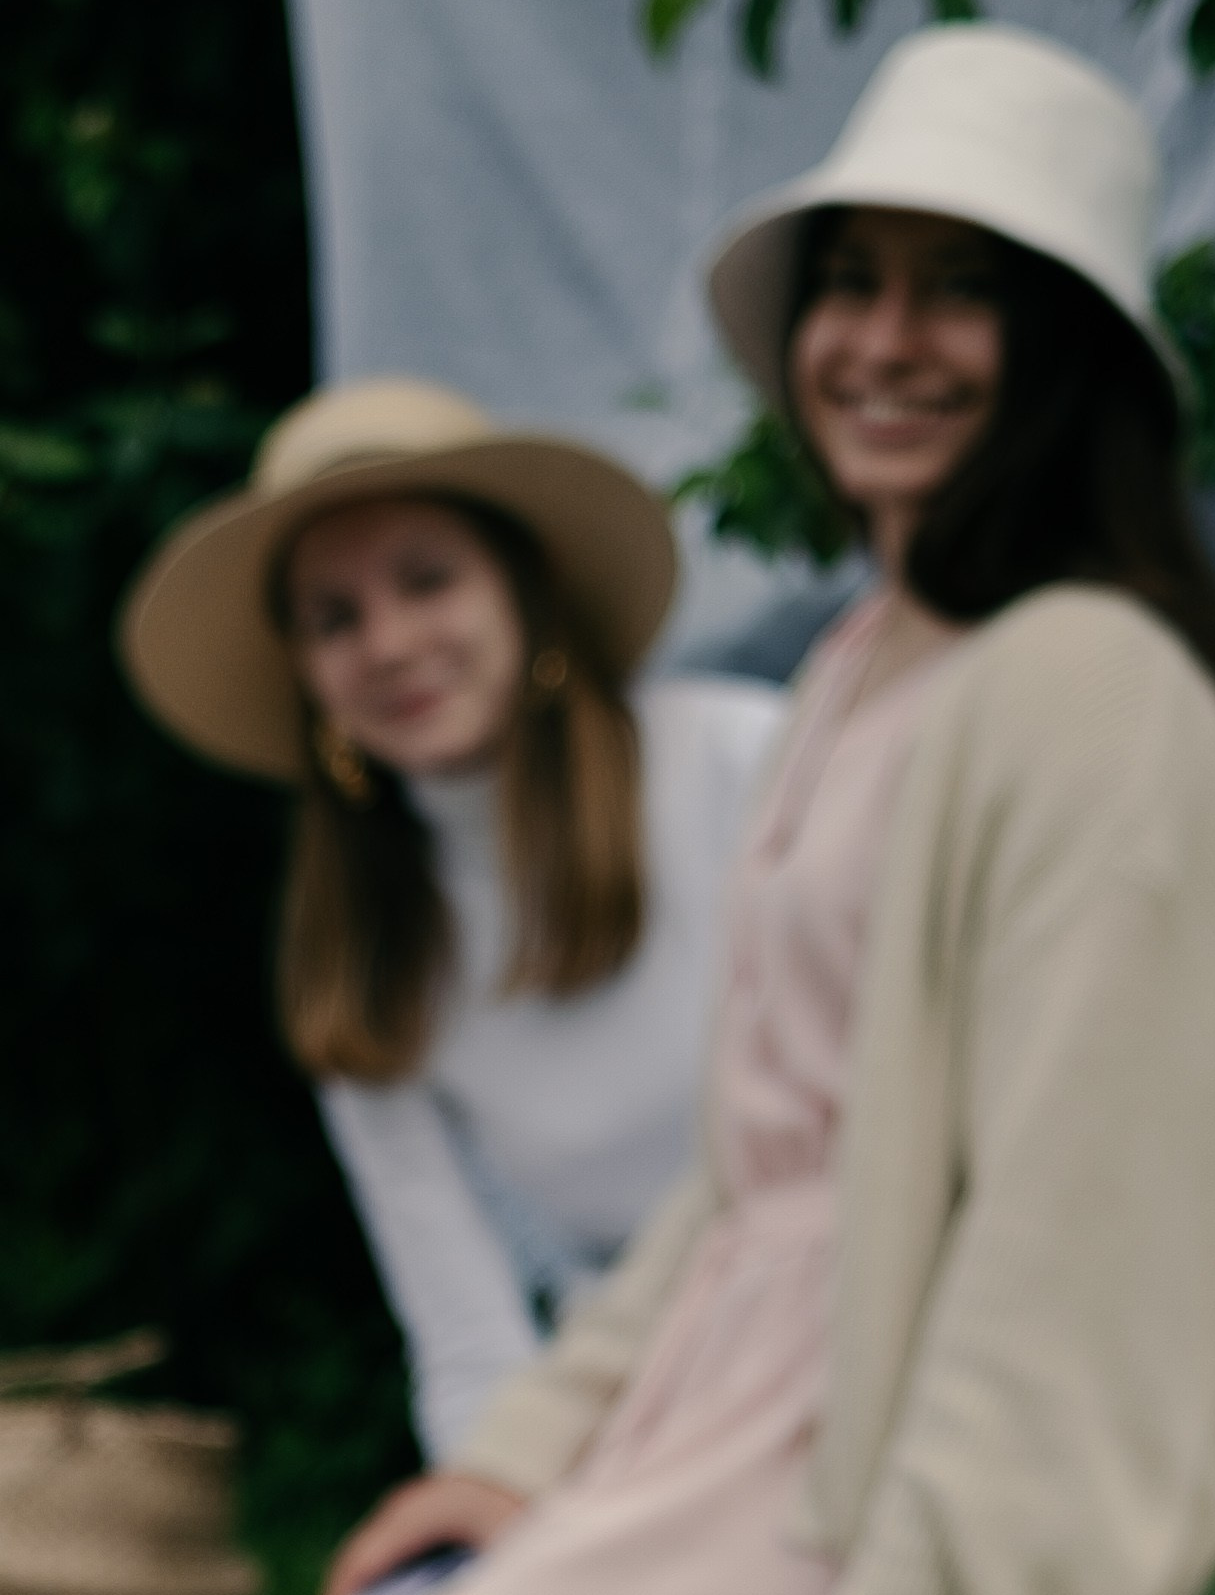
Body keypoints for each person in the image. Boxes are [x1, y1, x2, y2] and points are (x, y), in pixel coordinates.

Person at [0, 22, 1215, 1595]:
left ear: (1064, 351)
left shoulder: (1089, 691)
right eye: (849, 283)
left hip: (852, 1460)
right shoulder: (867, 666)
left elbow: (1074, 1257)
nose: (883, 341)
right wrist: (517, 1459)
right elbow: (746, 1167)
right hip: (710, 1400)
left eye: (958, 290)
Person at [119, 382, 786, 1461]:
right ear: (307, 676)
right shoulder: (365, 947)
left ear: (527, 589)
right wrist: (488, 1507)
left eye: (427, 580)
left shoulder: (740, 764)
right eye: (334, 618)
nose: (388, 642)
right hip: (633, 1403)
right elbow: (467, 1336)